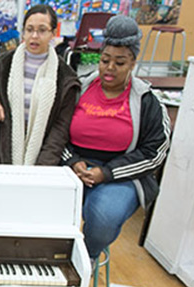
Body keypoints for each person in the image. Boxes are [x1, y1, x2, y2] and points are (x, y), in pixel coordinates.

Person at [62, 15, 170, 263]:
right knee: (42, 205)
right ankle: (49, 259)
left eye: (119, 63)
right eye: (105, 60)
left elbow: (155, 153)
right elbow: (58, 132)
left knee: (103, 216)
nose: (109, 68)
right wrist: (73, 161)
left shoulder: (147, 101)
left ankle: (83, 261)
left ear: (133, 63)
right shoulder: (80, 89)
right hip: (74, 168)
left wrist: (106, 173)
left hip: (120, 174)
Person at [0, 5, 80, 165]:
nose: (34, 36)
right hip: (2, 155)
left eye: (42, 30)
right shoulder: (3, 64)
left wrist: (41, 168)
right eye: (29, 29)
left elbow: (60, 128)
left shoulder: (65, 77)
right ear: (23, 31)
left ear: (53, 33)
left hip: (43, 158)